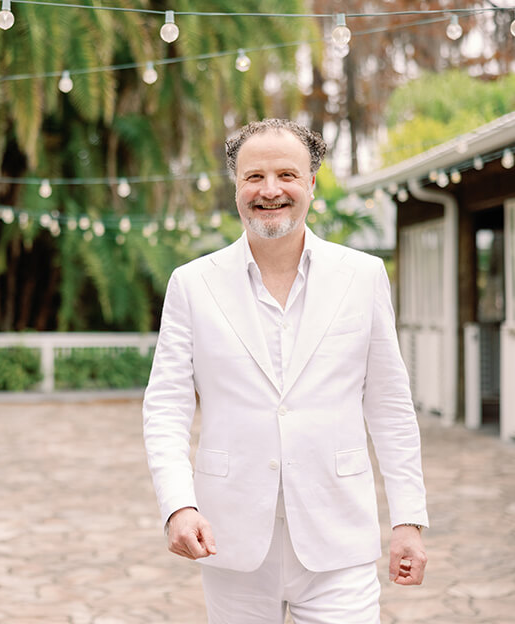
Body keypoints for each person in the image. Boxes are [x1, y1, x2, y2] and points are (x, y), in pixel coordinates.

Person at [142, 118, 427, 622]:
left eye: (287, 175)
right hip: (229, 538)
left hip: (339, 536)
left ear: (312, 183)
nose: (270, 190)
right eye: (254, 177)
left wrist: (408, 519)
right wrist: (177, 506)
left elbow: (389, 405)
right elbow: (165, 407)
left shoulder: (362, 276)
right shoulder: (191, 284)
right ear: (236, 186)